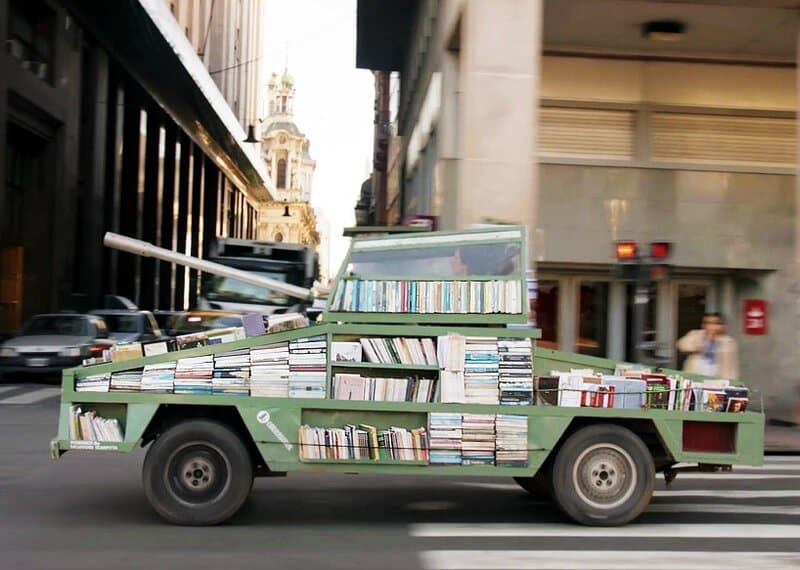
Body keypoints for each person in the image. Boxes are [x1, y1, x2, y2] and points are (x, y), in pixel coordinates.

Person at [677, 312, 739, 380]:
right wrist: (701, 342)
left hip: (717, 378)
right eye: (708, 323)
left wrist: (732, 382)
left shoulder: (728, 342)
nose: (711, 326)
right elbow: (682, 345)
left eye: (716, 323)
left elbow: (731, 367)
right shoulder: (696, 334)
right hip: (695, 374)